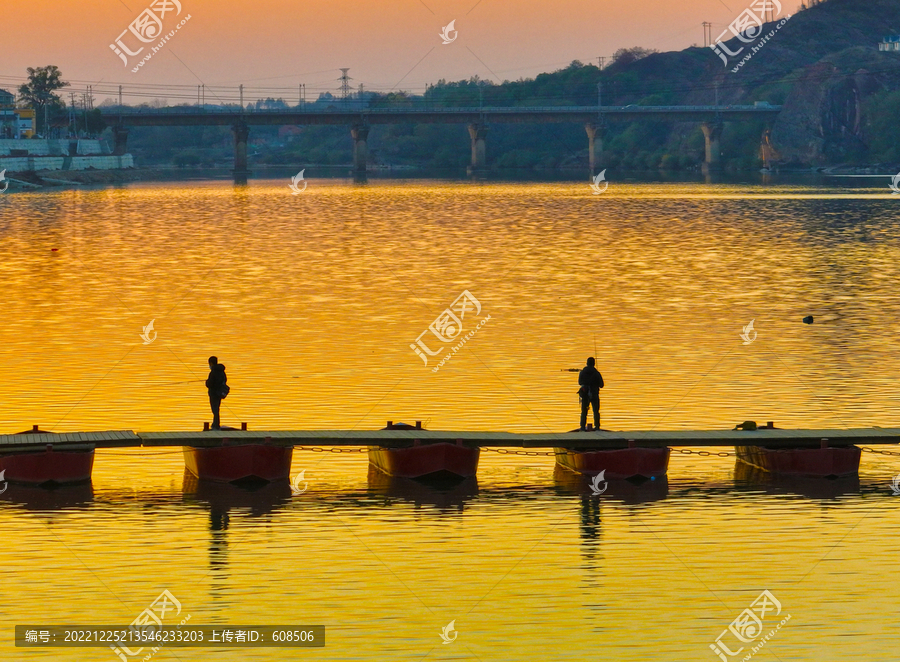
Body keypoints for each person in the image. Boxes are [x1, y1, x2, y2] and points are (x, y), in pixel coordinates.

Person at [578, 357, 604, 431]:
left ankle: (582, 427)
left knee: (584, 411)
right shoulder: (596, 373)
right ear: (594, 364)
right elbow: (601, 385)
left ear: (587, 363)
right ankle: (597, 426)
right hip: (594, 394)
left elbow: (580, 382)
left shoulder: (582, 372)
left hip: (585, 394)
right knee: (596, 411)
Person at [205, 356, 228, 430]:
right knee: (217, 408)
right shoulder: (221, 371)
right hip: (219, 393)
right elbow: (225, 380)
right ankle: (215, 423)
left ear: (211, 363)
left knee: (214, 409)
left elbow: (210, 384)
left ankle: (216, 424)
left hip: (213, 393)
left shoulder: (213, 372)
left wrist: (207, 382)